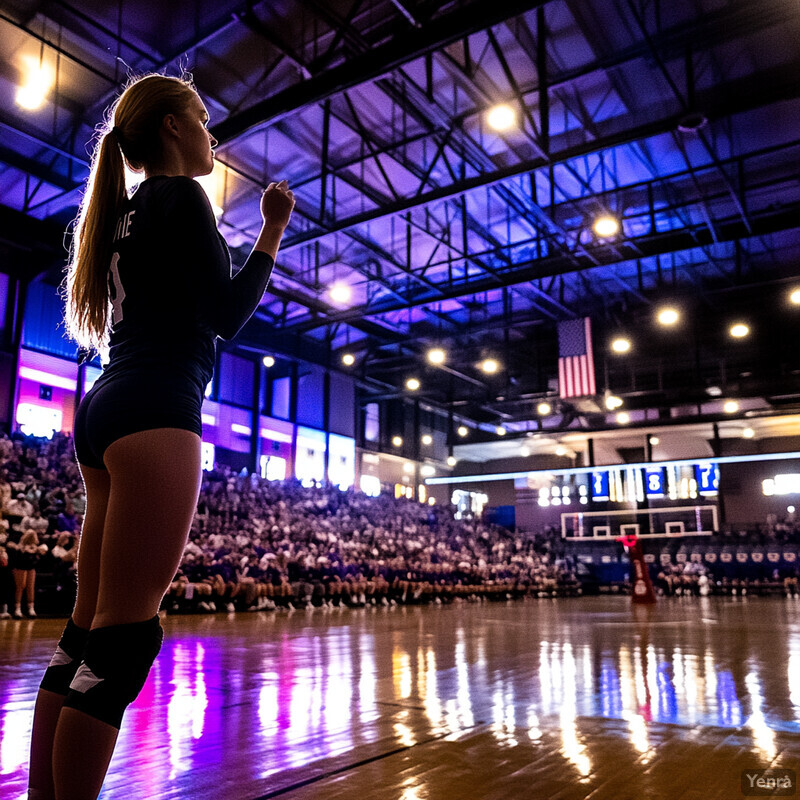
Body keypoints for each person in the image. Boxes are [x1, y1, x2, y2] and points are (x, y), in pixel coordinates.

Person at [27, 72, 294, 800]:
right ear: (173, 128)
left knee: (85, 635)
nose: (212, 135)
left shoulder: (121, 213)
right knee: (120, 643)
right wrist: (271, 228)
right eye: (203, 120)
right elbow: (230, 313)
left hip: (107, 404)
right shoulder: (182, 197)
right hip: (156, 405)